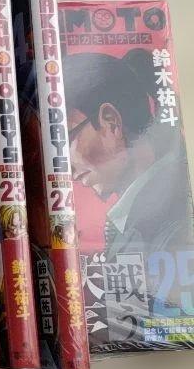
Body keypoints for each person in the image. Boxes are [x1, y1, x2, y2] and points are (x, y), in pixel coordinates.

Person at [64, 50, 194, 260]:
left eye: (64, 142)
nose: (64, 168)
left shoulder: (170, 222)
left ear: (111, 122)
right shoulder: (138, 216)